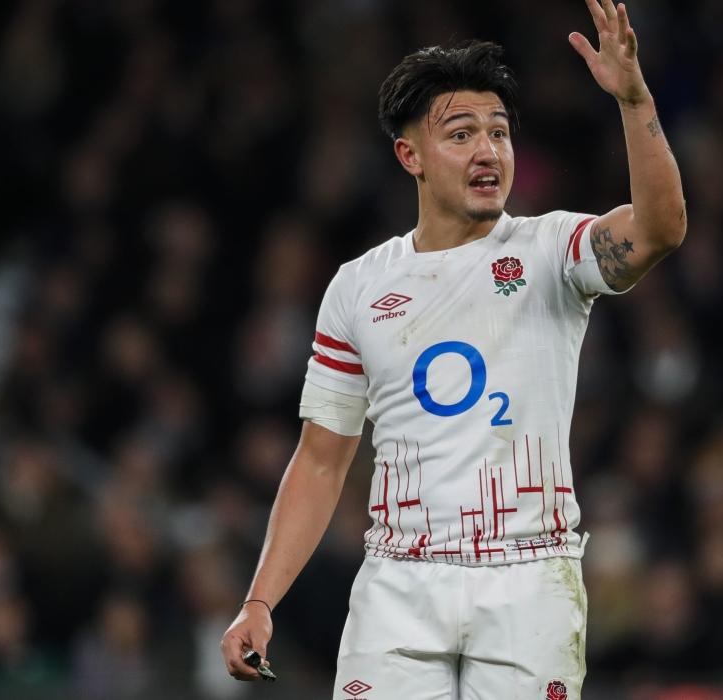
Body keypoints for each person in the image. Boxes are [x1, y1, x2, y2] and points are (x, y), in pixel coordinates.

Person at [220, 1, 685, 697]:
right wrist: (259, 601)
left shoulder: (551, 250)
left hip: (529, 576)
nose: (487, 151)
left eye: (499, 132)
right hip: (399, 581)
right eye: (461, 134)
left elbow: (660, 229)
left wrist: (634, 100)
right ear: (410, 155)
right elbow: (320, 460)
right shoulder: (359, 288)